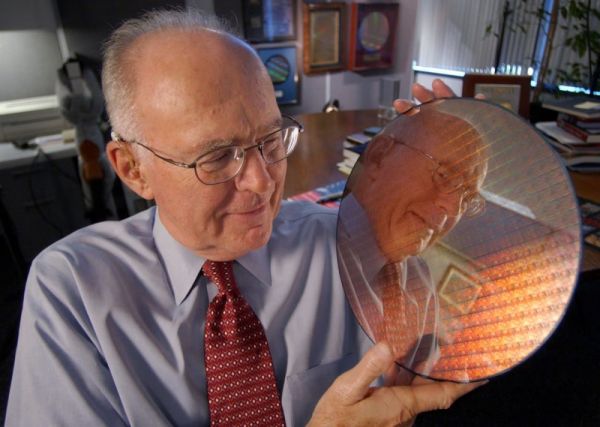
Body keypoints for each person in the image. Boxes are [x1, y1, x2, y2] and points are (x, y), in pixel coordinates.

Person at [6, 9, 483, 426]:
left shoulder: (344, 246)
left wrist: (440, 161)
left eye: (271, 141)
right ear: (133, 169)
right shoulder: (73, 290)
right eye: (216, 157)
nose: (262, 182)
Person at [338, 102, 489, 377]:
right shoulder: (302, 260)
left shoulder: (419, 278)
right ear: (379, 157)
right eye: (445, 175)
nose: (453, 209)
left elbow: (424, 369)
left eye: (468, 197)